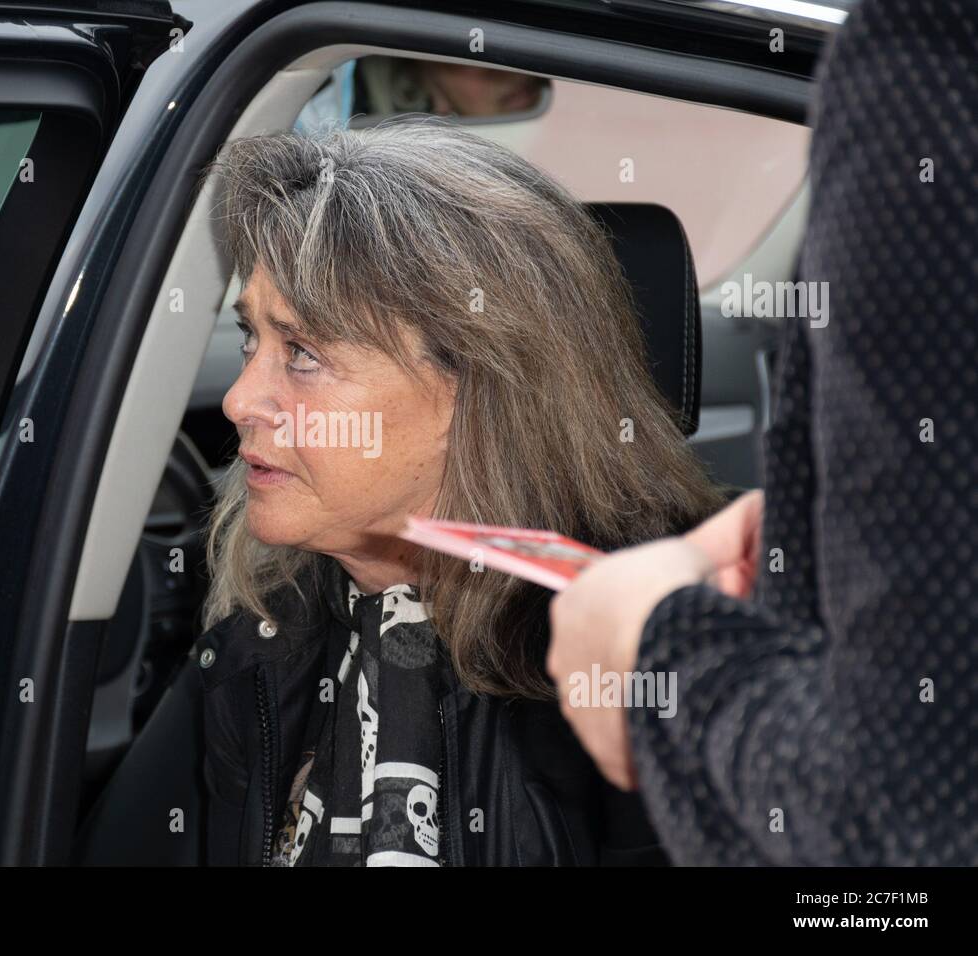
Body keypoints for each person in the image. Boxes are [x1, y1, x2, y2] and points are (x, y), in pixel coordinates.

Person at [194, 120, 724, 866]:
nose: (241, 399)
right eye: (252, 339)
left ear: (479, 390)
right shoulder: (266, 643)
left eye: (304, 354)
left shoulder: (643, 675)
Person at [546, 0, 978, 865]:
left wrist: (652, 649)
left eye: (305, 352)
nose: (250, 403)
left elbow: (899, 849)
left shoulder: (931, 64)